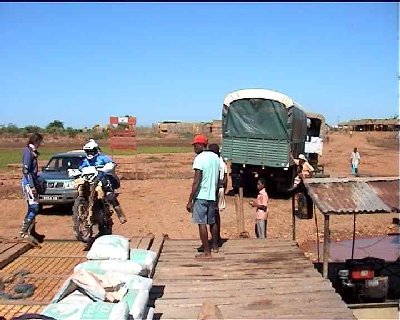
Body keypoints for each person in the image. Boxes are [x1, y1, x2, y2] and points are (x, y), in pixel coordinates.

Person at [186, 135, 220, 259]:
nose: (194, 148)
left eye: (195, 145)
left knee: (201, 223)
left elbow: (196, 181)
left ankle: (206, 252)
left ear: (201, 145)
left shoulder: (199, 159)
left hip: (201, 195)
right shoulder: (215, 157)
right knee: (212, 222)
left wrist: (190, 201)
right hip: (212, 195)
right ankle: (215, 246)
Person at [79, 139, 127, 224]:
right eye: (87, 151)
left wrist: (106, 168)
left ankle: (121, 215)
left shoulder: (102, 157)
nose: (90, 153)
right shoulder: (86, 161)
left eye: (91, 151)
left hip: (102, 179)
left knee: (110, 196)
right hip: (90, 181)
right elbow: (81, 168)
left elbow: (111, 163)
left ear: (95, 150)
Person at [19, 132, 46, 243]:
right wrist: (31, 185)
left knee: (32, 207)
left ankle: (31, 231)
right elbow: (26, 171)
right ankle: (23, 232)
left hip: (32, 182)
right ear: (36, 141)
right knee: (34, 207)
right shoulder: (28, 152)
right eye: (40, 141)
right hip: (28, 183)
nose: (40, 144)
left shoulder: (32, 152)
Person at [208, 143, 228, 247]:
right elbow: (225, 179)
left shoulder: (213, 162)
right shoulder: (222, 162)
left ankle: (215, 241)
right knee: (217, 214)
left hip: (214, 189)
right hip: (221, 189)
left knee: (212, 216)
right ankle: (217, 238)